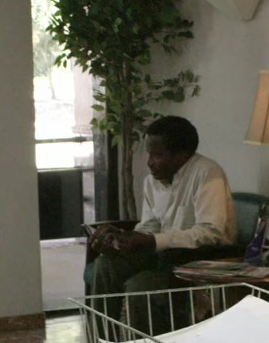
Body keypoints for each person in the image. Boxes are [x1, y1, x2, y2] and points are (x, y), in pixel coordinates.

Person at [87, 115, 236, 327]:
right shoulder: (152, 181)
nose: (149, 162)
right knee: (105, 266)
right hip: (164, 255)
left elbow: (210, 233)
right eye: (150, 154)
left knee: (140, 286)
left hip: (200, 259)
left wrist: (152, 240)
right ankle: (103, 342)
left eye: (157, 155)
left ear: (181, 155)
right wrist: (123, 239)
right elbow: (150, 226)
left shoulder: (207, 174)